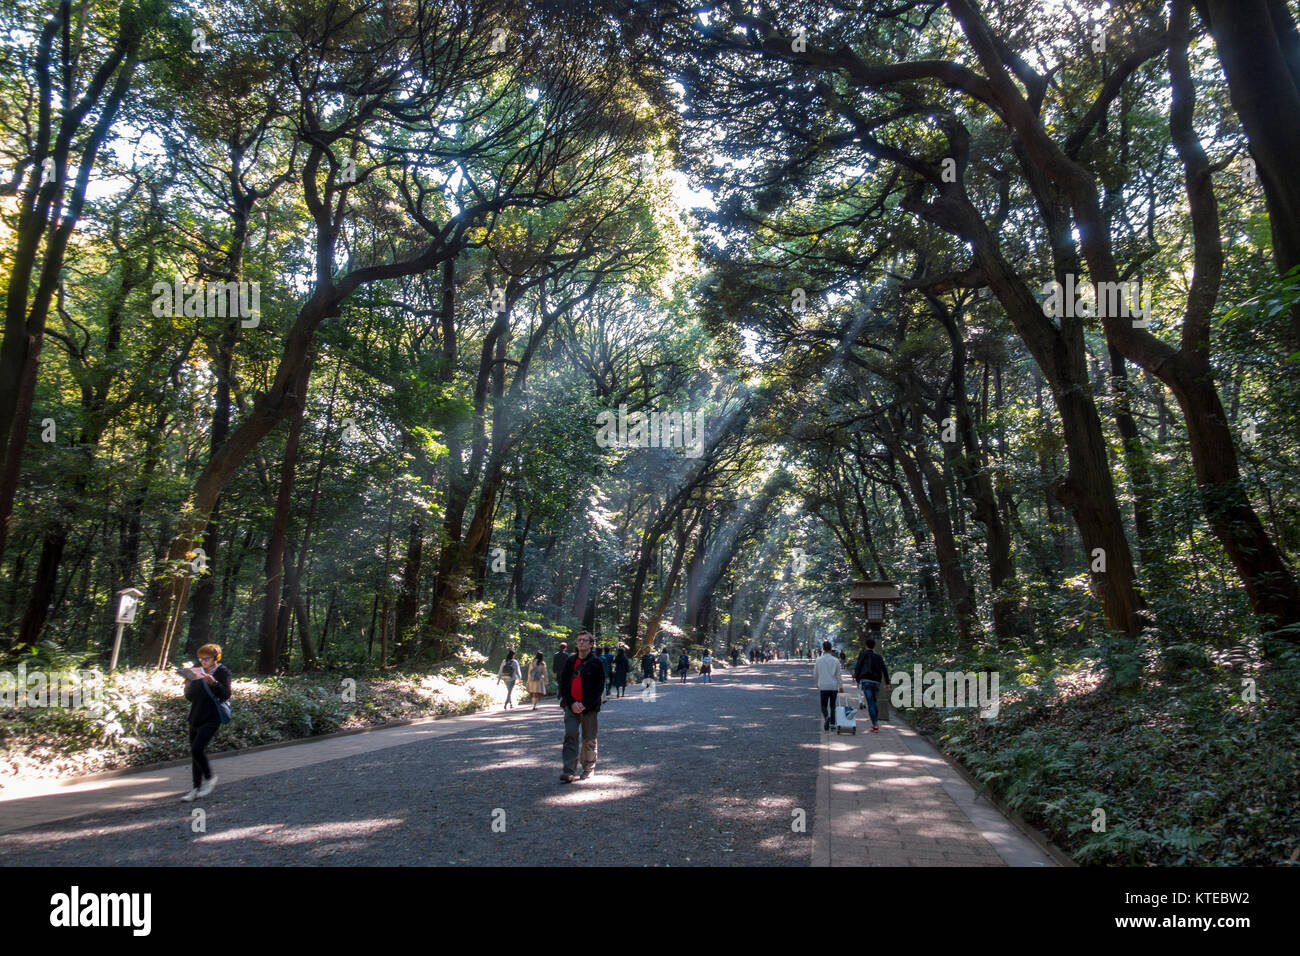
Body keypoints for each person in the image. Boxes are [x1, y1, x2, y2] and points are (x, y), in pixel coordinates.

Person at [180, 643, 232, 801]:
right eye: (201, 659)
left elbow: (225, 695)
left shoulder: (223, 672)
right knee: (195, 754)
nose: (203, 662)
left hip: (213, 716)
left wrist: (214, 684)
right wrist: (188, 682)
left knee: (197, 749)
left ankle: (210, 778)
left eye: (206, 659)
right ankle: (195, 789)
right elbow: (190, 697)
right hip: (196, 715)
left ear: (216, 658)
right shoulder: (198, 672)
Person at [557, 631, 604, 782]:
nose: (581, 643)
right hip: (571, 706)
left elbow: (599, 688)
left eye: (585, 640)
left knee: (589, 738)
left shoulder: (596, 663)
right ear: (576, 644)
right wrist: (571, 702)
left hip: (589, 708)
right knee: (570, 735)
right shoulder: (570, 661)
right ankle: (569, 770)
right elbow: (563, 684)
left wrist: (584, 704)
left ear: (591, 644)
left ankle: (588, 768)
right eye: (579, 640)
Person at [852, 637, 891, 732]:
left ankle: (875, 724)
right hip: (876, 682)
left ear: (866, 646)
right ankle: (875, 722)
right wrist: (887, 683)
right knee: (874, 701)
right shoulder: (878, 657)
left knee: (870, 703)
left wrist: (857, 679)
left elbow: (859, 666)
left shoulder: (863, 654)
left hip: (866, 681)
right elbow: (884, 669)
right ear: (874, 646)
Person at [815, 640, 842, 732]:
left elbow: (816, 673)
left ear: (823, 649)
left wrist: (816, 684)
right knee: (833, 706)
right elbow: (838, 674)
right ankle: (833, 724)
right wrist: (841, 686)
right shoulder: (836, 661)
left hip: (823, 685)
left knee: (823, 705)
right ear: (831, 649)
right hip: (833, 686)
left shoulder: (818, 660)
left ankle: (826, 717)